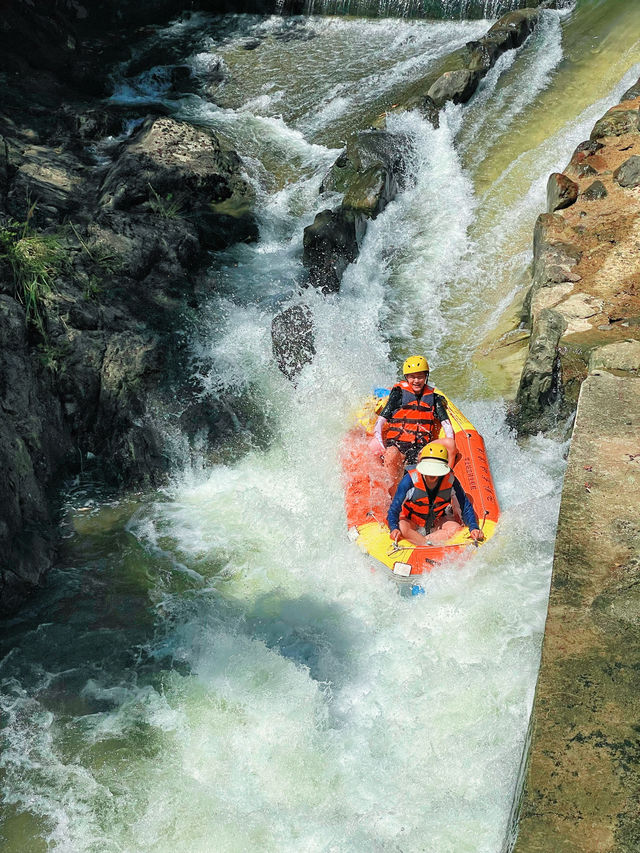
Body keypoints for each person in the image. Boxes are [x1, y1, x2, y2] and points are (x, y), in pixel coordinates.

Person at [372, 355, 456, 484]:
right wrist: (379, 442)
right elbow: (381, 420)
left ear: (426, 377)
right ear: (406, 377)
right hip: (398, 446)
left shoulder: (434, 398)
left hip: (421, 450)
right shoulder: (398, 394)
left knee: (451, 443)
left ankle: (446, 481)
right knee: (391, 454)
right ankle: (392, 492)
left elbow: (446, 425)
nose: (416, 381)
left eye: (420, 377)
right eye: (412, 377)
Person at [387, 442, 484, 546]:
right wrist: (393, 528)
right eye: (429, 471)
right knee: (402, 526)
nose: (432, 475)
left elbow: (465, 506)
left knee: (455, 528)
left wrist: (473, 527)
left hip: (437, 522)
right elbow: (394, 509)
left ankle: (426, 543)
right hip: (412, 521)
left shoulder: (451, 480)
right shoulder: (409, 481)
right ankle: (426, 544)